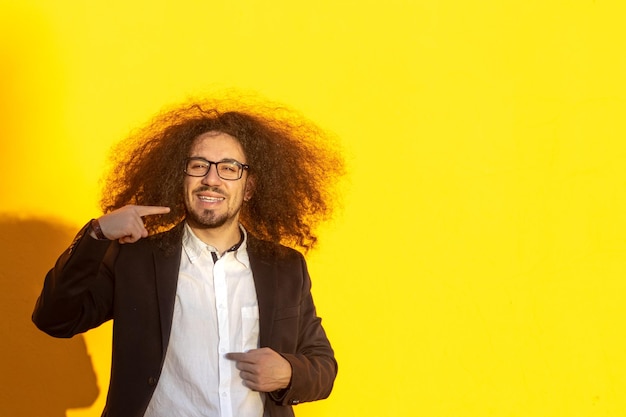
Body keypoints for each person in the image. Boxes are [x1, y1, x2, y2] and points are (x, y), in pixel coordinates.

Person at [32, 98, 345, 417]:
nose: (211, 179)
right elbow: (55, 319)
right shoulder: (136, 261)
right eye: (199, 165)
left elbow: (323, 366)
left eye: (229, 168)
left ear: (248, 188)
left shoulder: (285, 267)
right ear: (180, 178)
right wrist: (96, 234)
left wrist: (290, 373)